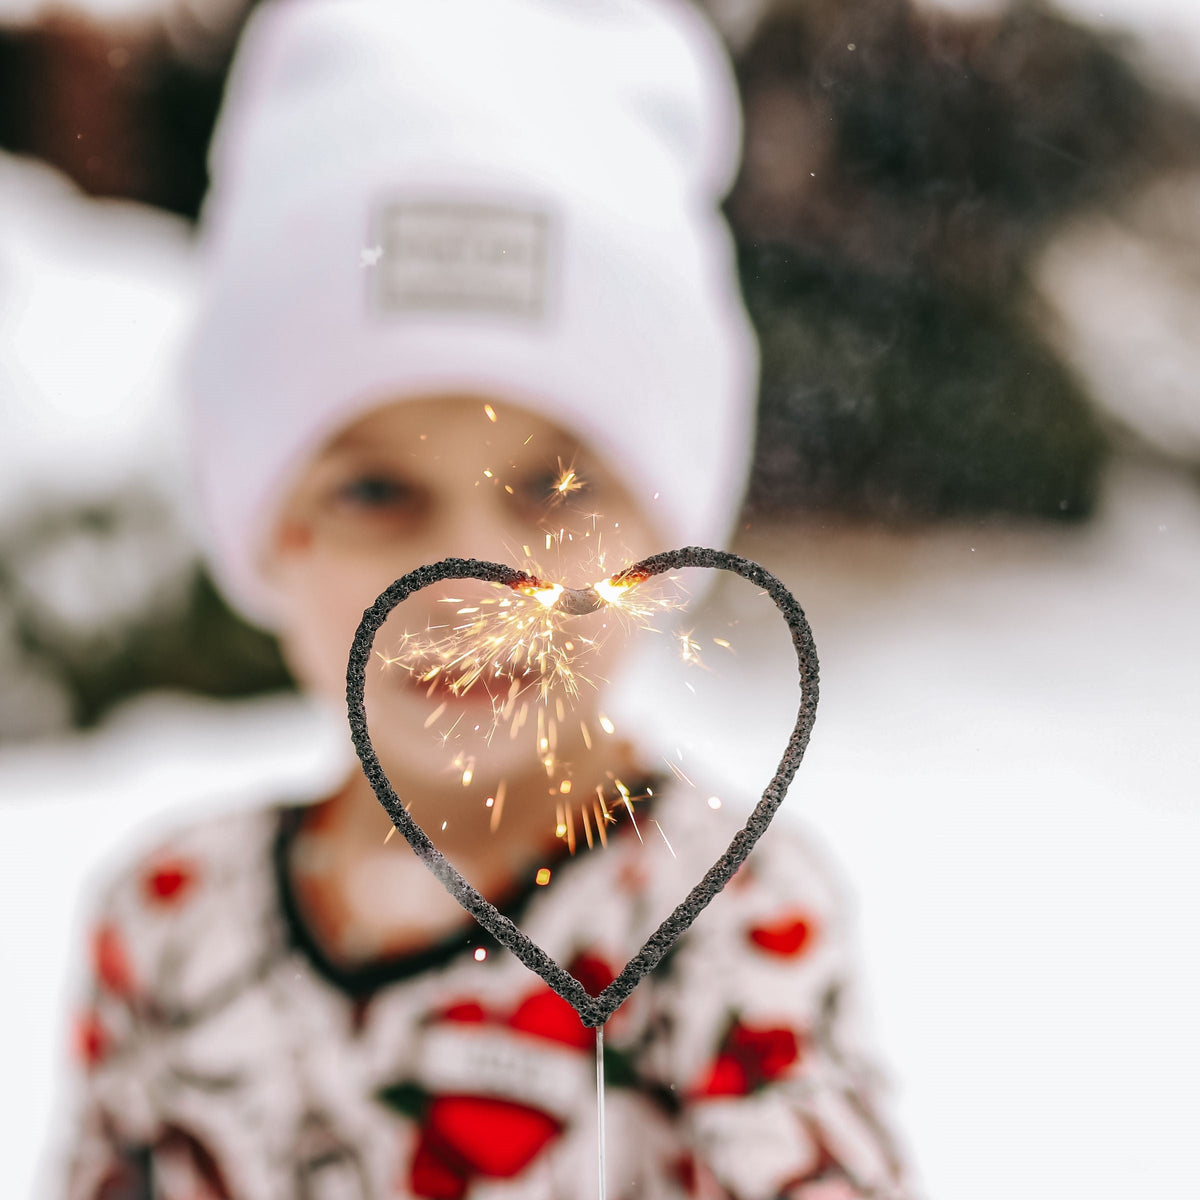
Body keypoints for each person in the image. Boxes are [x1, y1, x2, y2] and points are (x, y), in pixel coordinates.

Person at [62, 0, 910, 1196]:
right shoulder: (167, 922)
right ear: (268, 533)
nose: (471, 573)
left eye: (551, 489)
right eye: (376, 491)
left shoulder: (724, 925)